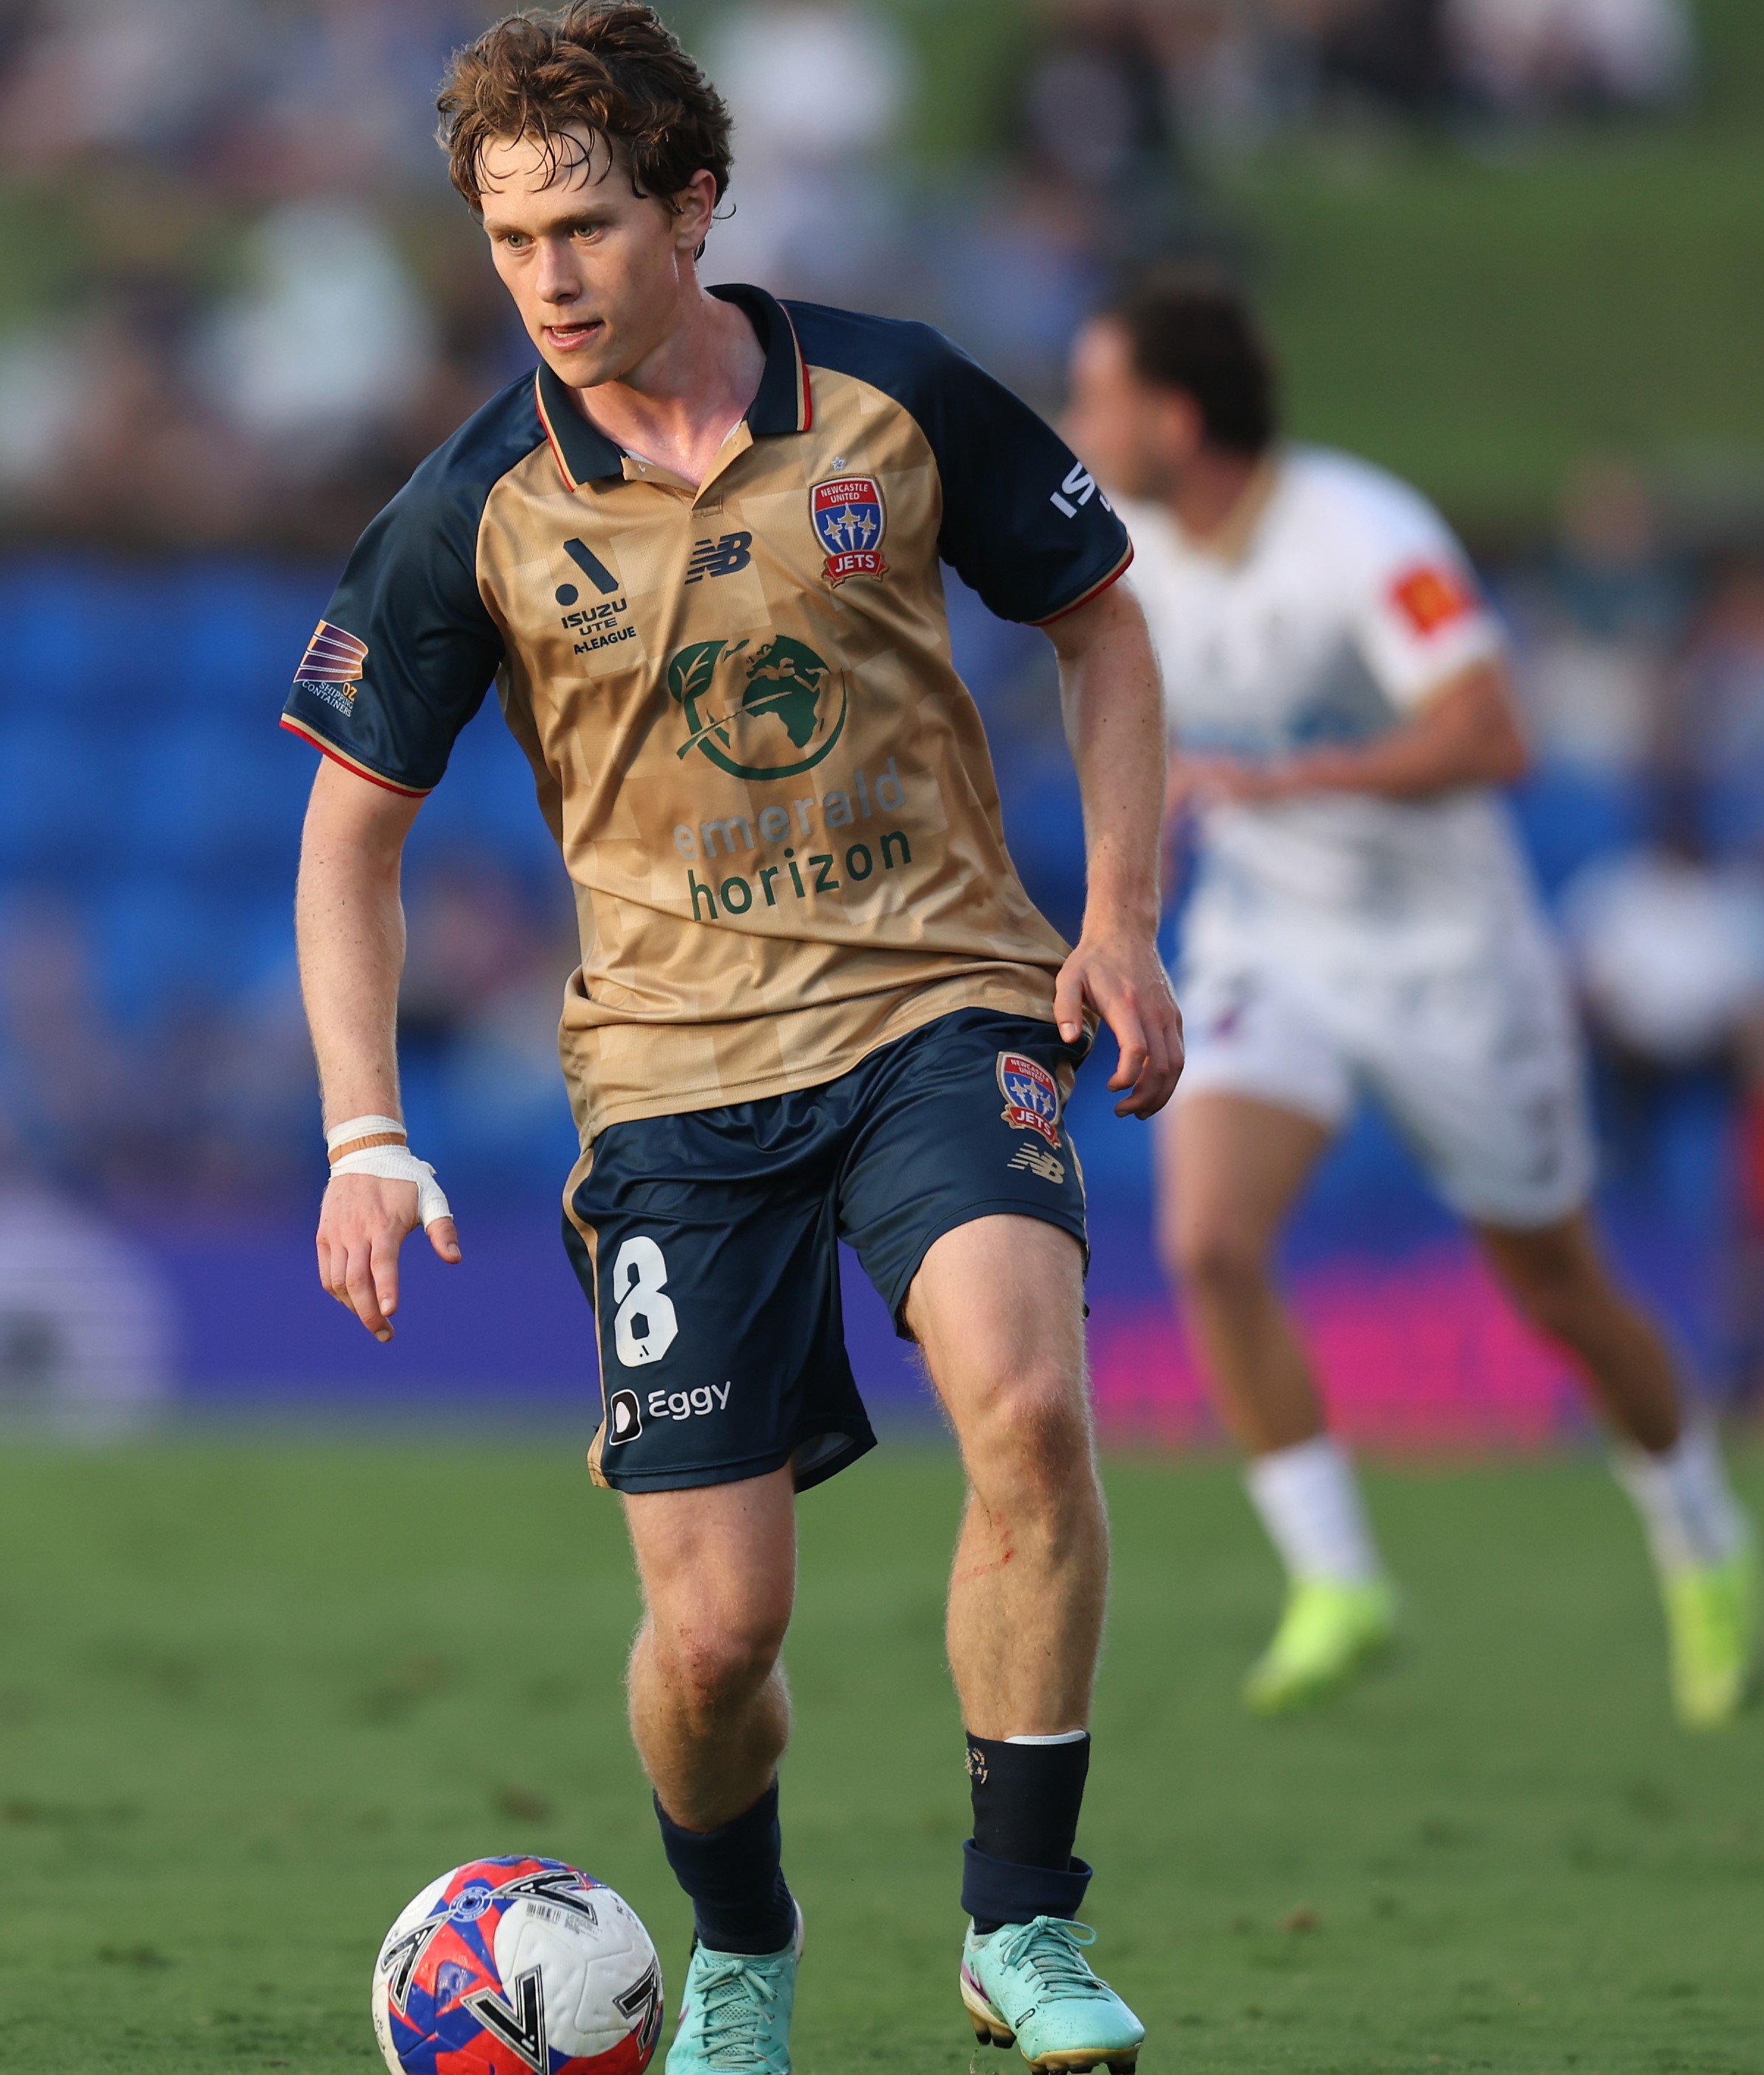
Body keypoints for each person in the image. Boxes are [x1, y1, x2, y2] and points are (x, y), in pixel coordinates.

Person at [291, 10, 1178, 2071]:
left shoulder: (893, 396)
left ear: (695, 205)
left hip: (943, 1001)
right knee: (715, 1634)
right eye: (510, 238)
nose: (551, 276)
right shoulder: (470, 512)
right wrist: (363, 1128)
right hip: (676, 1087)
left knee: (1031, 1417)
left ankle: (1018, 1922)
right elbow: (350, 844)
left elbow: (1101, 620)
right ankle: (744, 1946)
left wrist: (1116, 919)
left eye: (588, 223)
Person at [1064, 277, 1757, 1729]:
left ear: (1175, 420)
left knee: (1555, 1285)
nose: (1078, 421)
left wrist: (1288, 780)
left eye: (1098, 394)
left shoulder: (1361, 536)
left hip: (1450, 962)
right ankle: (1336, 1580)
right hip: (1272, 944)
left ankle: (1700, 1533)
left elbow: (1490, 730)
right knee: (1204, 1238)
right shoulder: (1129, 561)